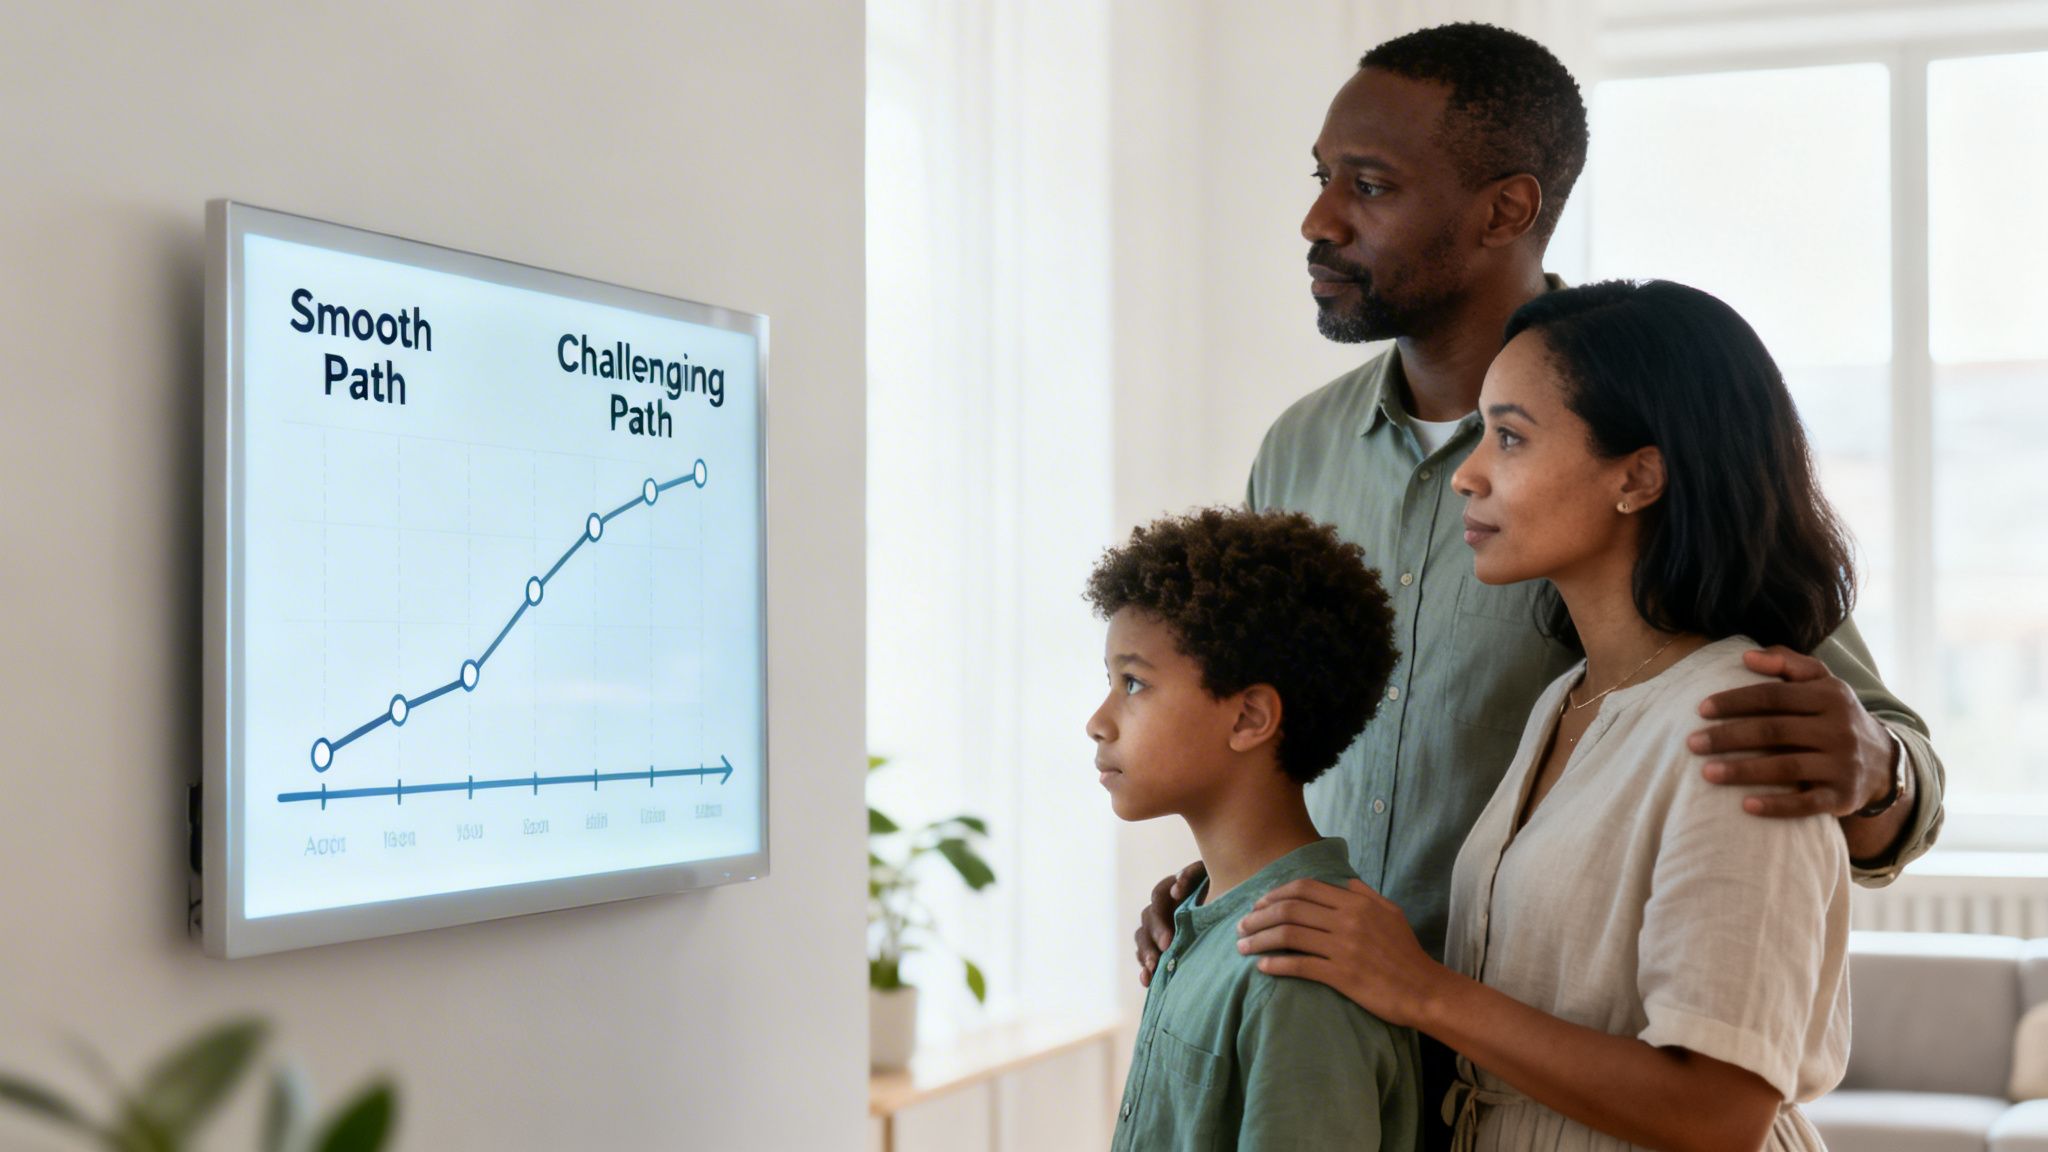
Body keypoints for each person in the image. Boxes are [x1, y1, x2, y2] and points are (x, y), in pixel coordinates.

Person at [1138, 20, 1945, 1144]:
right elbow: (1262, 730)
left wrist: (1871, 773)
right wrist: (1235, 880)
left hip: (1545, 1074)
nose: (1318, 220)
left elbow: (1841, 746)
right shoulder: (1297, 455)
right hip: (1336, 1045)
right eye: (1321, 178)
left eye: (1367, 186)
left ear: (1504, 210)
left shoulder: (1650, 424)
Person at [1239, 278, 1857, 1148]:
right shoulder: (1567, 704)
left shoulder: (1737, 727)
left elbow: (1719, 1111)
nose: (1468, 473)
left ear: (1638, 476)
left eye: (1511, 438)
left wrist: (1418, 988)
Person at [1087, 507, 1420, 1151]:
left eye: (1133, 683)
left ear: (1249, 718)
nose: (1098, 721)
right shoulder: (1199, 916)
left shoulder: (1301, 964)